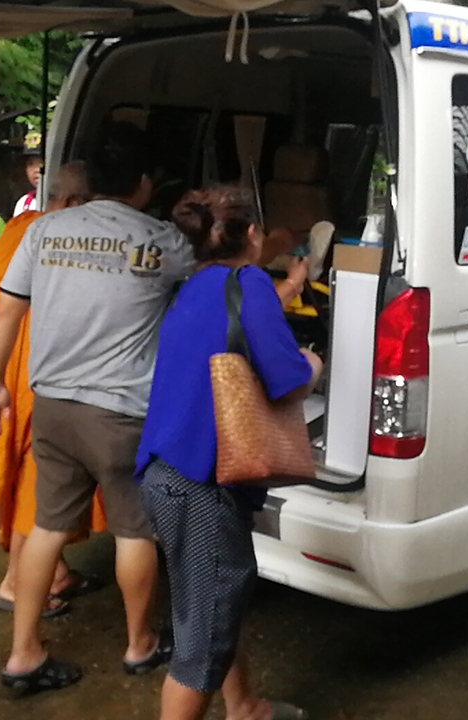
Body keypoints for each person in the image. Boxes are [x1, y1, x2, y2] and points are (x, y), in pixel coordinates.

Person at [0, 122, 191, 692]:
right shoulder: (162, 241)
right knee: (133, 530)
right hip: (121, 413)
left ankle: (23, 654)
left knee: (46, 526)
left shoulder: (45, 231)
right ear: (145, 183)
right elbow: (214, 279)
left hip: (53, 406)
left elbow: (5, 312)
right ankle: (139, 644)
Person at [135, 185, 323, 720]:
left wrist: (287, 289)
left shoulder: (194, 288)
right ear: (254, 236)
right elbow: (287, 381)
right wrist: (312, 364)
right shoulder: (249, 283)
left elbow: (232, 330)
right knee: (199, 649)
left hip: (165, 475)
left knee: (212, 605)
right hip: (204, 489)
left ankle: (245, 707)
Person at [0, 161, 107, 617]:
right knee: (38, 484)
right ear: (73, 203)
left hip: (13, 370)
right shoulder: (54, 235)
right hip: (32, 379)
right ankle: (16, 583)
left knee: (40, 482)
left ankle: (56, 572)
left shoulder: (22, 227)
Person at [12, 131, 44, 218]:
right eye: (30, 164)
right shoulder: (24, 203)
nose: (36, 170)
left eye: (41, 163)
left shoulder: (67, 202)